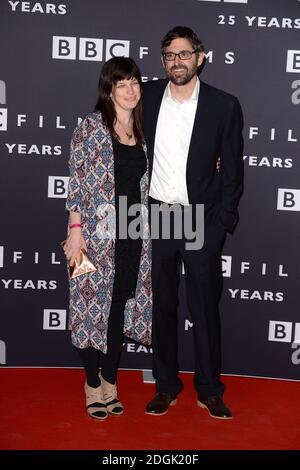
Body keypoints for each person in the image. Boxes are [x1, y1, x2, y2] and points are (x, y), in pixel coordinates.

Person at [143, 26, 243, 419]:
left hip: (202, 218)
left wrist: (222, 222)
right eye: (170, 55)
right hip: (158, 214)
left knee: (203, 309)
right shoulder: (147, 97)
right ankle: (166, 385)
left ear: (201, 57)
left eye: (184, 54)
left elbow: (233, 168)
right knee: (163, 306)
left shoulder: (224, 105)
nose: (177, 62)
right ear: (163, 61)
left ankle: (209, 389)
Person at [63, 57, 152, 420]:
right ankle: (91, 385)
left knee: (117, 309)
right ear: (109, 89)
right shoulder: (90, 128)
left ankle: (110, 380)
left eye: (134, 83)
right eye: (122, 84)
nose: (130, 91)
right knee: (88, 311)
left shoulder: (144, 132)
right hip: (92, 238)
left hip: (132, 236)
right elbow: (78, 184)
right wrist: (75, 233)